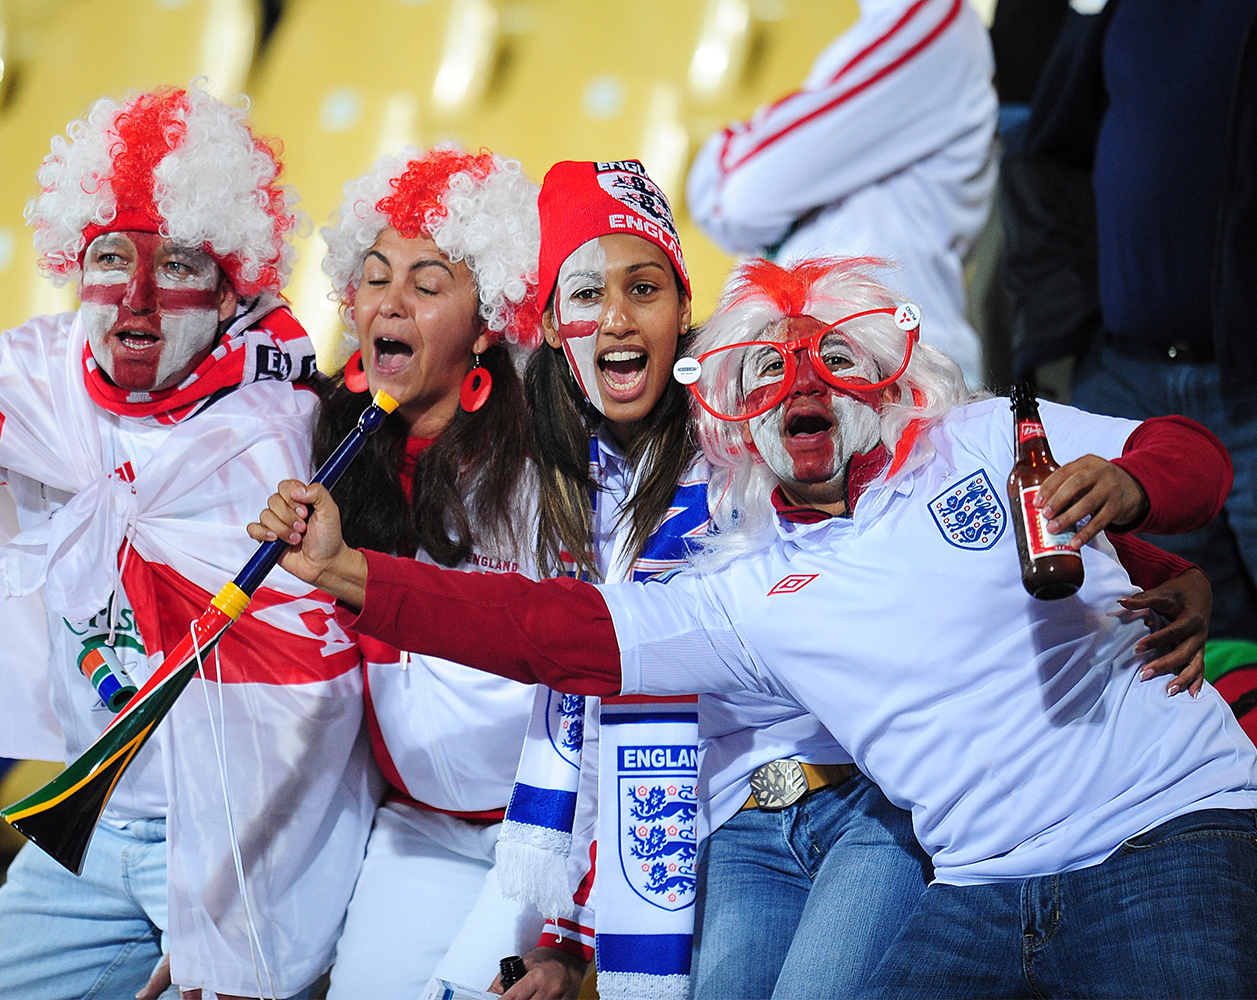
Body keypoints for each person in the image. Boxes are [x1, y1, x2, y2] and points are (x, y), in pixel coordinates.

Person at [257, 257, 1253, 998]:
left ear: (881, 377)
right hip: (982, 883)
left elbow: (1196, 457)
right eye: (771, 370)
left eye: (829, 360)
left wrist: (1135, 492)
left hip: (1164, 825)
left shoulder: (983, 435)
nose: (804, 385)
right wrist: (350, 570)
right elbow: (547, 627)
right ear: (735, 415)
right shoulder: (746, 590)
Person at [499, 216, 1206, 1000]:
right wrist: (567, 935)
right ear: (555, 327)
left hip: (871, 803)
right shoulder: (558, 491)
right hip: (734, 818)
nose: (618, 319)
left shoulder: (757, 418)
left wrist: (1169, 565)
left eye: (643, 288)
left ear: (682, 306)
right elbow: (582, 678)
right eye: (588, 295)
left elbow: (996, 522)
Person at [0, 86, 373, 1000]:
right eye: (111, 258)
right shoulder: (36, 379)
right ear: (76, 266)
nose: (136, 297)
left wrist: (223, 914)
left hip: (249, 834)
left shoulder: (286, 425)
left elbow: (314, 698)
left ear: (231, 285)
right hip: (91, 828)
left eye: (176, 262)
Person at [313, 145, 545, 1000]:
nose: (391, 302)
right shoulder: (328, 441)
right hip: (414, 829)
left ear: (488, 321)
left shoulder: (547, 461)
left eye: (427, 282)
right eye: (374, 277)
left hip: (543, 831)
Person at [1001, 0, 1257, 645]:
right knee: (1181, 649)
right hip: (1121, 379)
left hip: (1244, 385)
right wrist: (1062, 340)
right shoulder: (1114, 9)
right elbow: (1045, 155)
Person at [685, 0, 997, 385]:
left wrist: (727, 151)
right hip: (823, 376)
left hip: (898, 379)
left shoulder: (932, 20)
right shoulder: (876, 34)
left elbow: (736, 199)